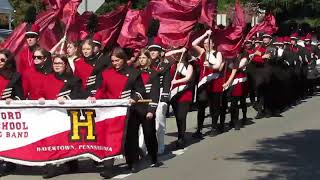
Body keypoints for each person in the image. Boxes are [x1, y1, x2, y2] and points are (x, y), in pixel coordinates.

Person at [88, 47, 145, 177]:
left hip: (130, 111)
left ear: (123, 59)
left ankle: (133, 161)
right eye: (113, 61)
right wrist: (94, 97)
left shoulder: (134, 73)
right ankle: (108, 167)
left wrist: (134, 99)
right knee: (110, 139)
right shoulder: (106, 73)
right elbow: (101, 90)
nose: (115, 63)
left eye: (117, 60)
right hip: (111, 112)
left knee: (130, 137)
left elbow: (140, 91)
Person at [191, 30, 223, 137]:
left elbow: (217, 66)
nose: (206, 45)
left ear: (213, 44)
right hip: (203, 83)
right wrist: (205, 34)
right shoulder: (202, 52)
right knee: (201, 107)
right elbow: (193, 44)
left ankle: (214, 127)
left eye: (208, 43)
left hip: (214, 82)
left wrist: (209, 65)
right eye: (204, 43)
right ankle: (199, 129)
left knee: (214, 106)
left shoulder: (217, 53)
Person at [0, 49, 24, 177]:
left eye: (2, 60)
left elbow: (21, 96)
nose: (0, 62)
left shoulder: (15, 76)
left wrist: (13, 100)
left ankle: (9, 163)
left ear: (8, 61)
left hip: (8, 115)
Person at [135, 49, 160, 166]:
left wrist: (151, 110)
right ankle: (136, 156)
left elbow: (155, 94)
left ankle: (153, 157)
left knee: (149, 134)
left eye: (144, 58)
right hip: (135, 109)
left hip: (147, 109)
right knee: (132, 135)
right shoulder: (134, 72)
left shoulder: (153, 74)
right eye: (140, 58)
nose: (141, 60)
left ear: (149, 59)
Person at [148, 37, 172, 154]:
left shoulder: (165, 65)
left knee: (159, 121)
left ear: (160, 52)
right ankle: (144, 147)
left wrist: (164, 99)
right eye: (150, 50)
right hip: (148, 94)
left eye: (155, 50)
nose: (152, 52)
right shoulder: (145, 64)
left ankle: (160, 146)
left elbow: (167, 82)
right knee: (146, 123)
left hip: (160, 93)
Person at [167, 47, 194, 148]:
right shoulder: (173, 64)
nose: (177, 56)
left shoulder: (189, 65)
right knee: (178, 117)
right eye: (176, 55)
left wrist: (177, 81)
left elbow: (188, 77)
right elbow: (167, 54)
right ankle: (180, 135)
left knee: (182, 116)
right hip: (174, 94)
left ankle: (181, 138)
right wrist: (179, 50)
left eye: (180, 54)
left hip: (184, 94)